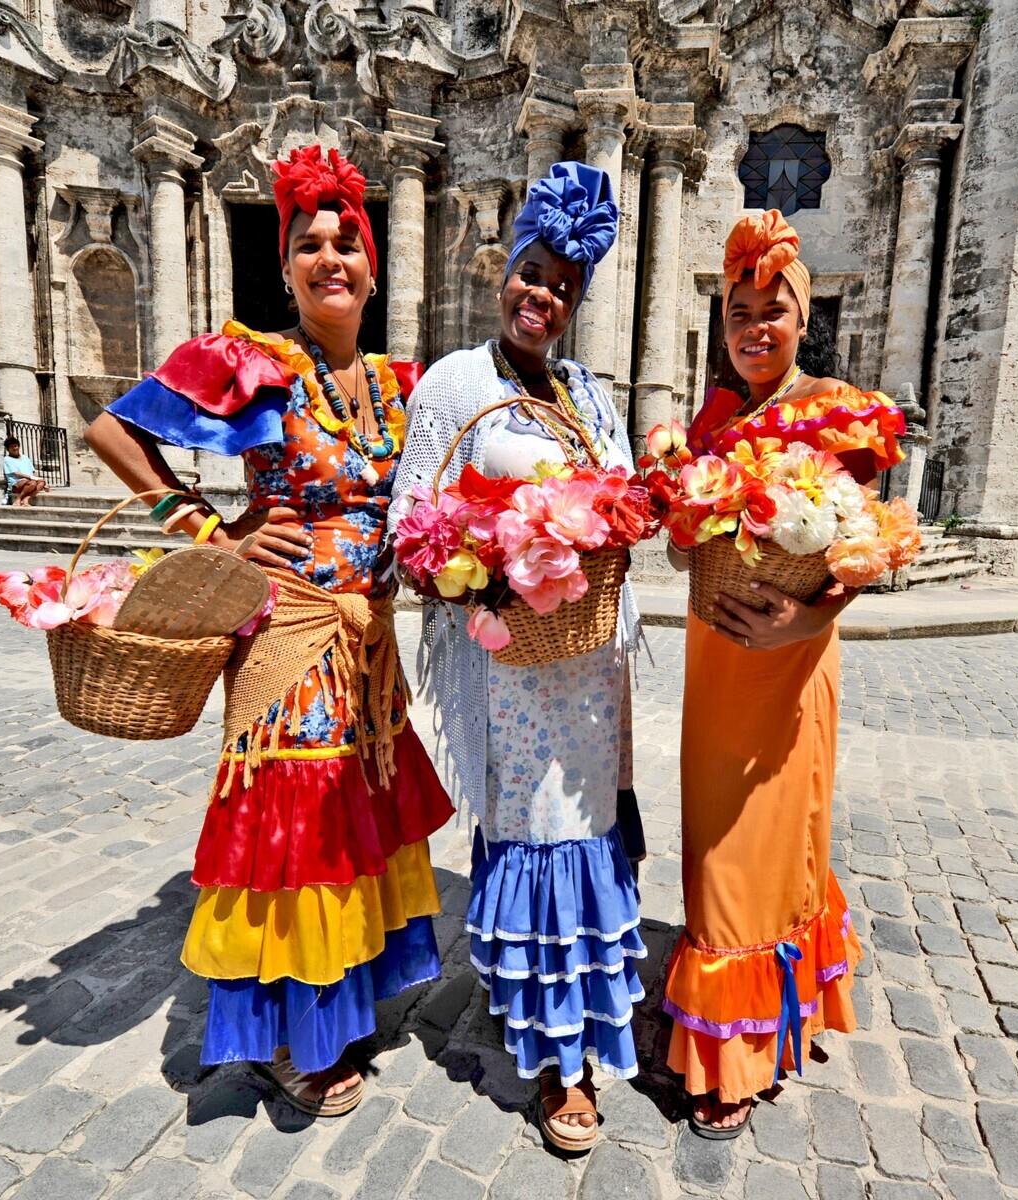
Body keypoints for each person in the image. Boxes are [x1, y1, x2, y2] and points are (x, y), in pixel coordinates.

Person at [84, 144, 454, 1115]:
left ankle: (342, 1010)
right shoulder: (251, 361)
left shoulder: (400, 383)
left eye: (346, 242)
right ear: (286, 267)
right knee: (294, 844)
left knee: (356, 831)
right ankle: (291, 1035)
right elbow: (114, 430)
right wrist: (211, 530)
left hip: (369, 648)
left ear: (373, 267)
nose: (330, 257)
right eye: (308, 244)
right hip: (288, 642)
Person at [391, 163, 645, 1153]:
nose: (542, 297)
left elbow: (622, 499)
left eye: (564, 286)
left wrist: (612, 521)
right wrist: (474, 570)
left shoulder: (588, 391)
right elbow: (411, 527)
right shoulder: (457, 382)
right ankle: (562, 1063)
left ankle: (571, 1010)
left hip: (588, 664)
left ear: (577, 302)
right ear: (508, 269)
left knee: (589, 834)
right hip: (508, 667)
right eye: (532, 274)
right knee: (540, 840)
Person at [664, 210, 904, 1137]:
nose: (756, 327)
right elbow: (689, 556)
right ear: (722, 324)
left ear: (804, 318)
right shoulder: (714, 421)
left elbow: (874, 544)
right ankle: (756, 1012)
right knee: (712, 835)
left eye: (774, 310)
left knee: (755, 849)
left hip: (789, 665)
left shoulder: (837, 410)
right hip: (712, 660)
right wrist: (684, 508)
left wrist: (810, 615)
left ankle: (733, 1056)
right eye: (739, 312)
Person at [2, 437, 49, 506]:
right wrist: (32, 478)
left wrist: (39, 480)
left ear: (18, 446)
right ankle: (18, 499)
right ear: (8, 449)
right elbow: (17, 473)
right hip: (16, 484)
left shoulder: (25, 458)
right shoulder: (7, 459)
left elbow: (33, 472)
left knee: (42, 482)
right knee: (32, 483)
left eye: (15, 446)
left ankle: (26, 499)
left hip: (30, 482)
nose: (14, 448)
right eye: (11, 447)